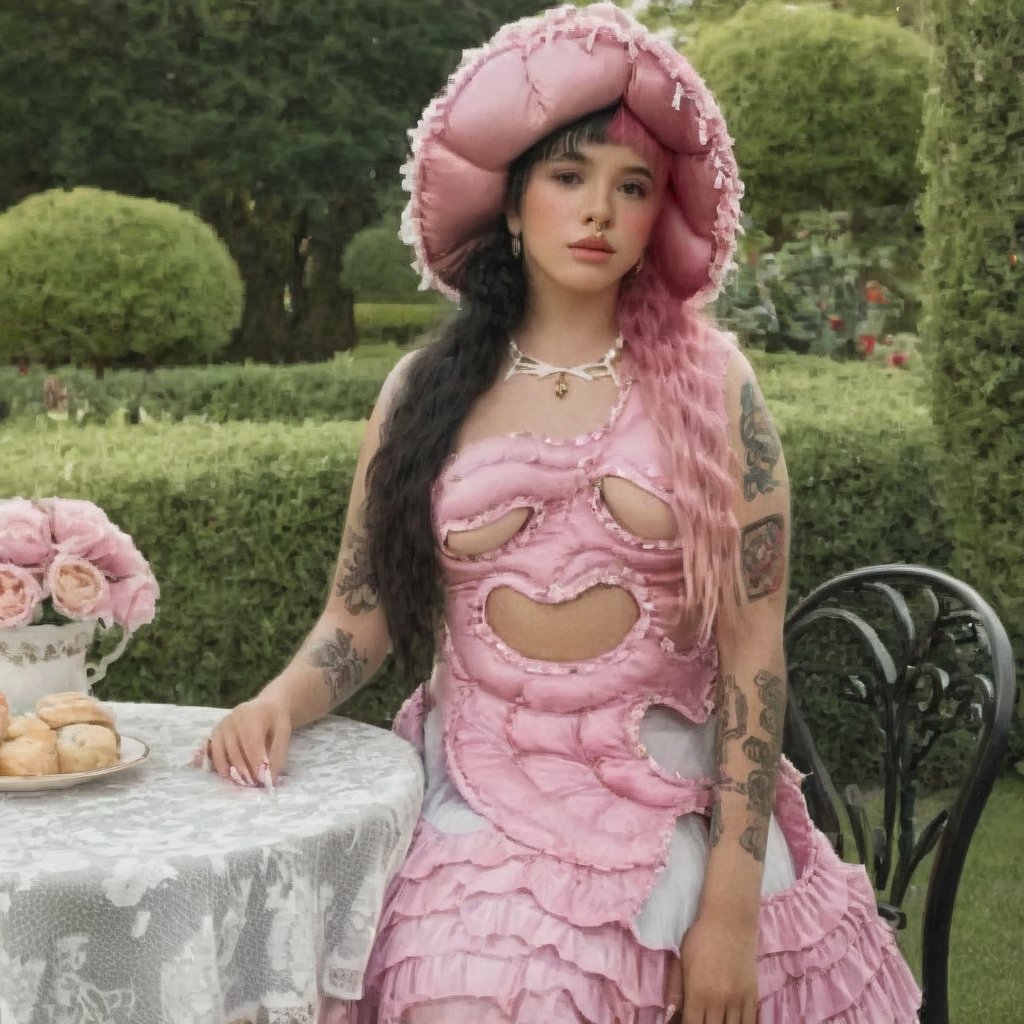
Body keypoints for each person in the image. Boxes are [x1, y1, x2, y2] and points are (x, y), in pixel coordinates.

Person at [210, 5, 922, 1022]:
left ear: (653, 215)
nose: (599, 211)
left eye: (631, 187)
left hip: (669, 797)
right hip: (483, 786)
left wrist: (726, 911)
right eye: (568, 176)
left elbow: (753, 653)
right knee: (474, 990)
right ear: (509, 205)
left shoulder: (714, 387)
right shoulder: (424, 393)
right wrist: (279, 700)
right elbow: (359, 611)